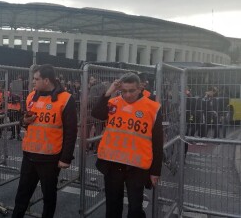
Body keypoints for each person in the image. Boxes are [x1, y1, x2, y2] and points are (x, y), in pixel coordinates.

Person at [92, 72, 163, 218]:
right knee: (112, 206)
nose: (128, 94)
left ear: (140, 89)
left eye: (132, 91)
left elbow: (157, 141)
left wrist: (155, 171)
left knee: (135, 209)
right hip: (113, 164)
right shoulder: (114, 102)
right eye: (124, 91)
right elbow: (97, 113)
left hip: (136, 166)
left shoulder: (152, 107)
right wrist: (109, 92)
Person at [12, 64, 77, 218]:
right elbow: (23, 120)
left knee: (48, 195)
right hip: (29, 153)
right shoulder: (31, 96)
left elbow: (71, 131)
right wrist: (24, 121)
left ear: (47, 80)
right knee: (22, 193)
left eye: (36, 79)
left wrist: (65, 158)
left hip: (50, 157)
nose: (33, 82)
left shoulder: (66, 99)